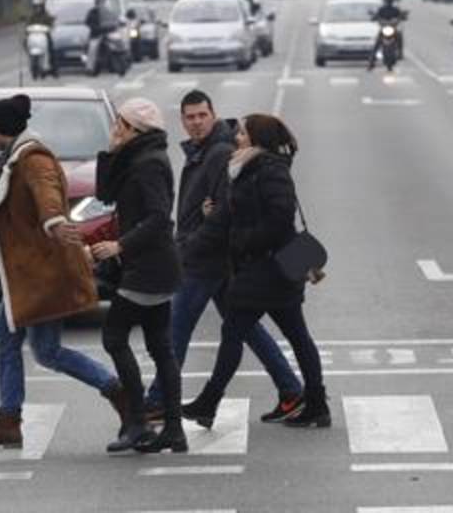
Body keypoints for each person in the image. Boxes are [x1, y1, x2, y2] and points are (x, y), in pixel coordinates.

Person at [0, 94, 125, 449]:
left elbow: (47, 191)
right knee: (31, 347)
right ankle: (10, 419)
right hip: (27, 271)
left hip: (39, 272)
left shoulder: (32, 158)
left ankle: (117, 391)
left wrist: (53, 220)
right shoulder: (12, 156)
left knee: (30, 347)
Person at [141, 91, 305, 424]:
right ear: (182, 120)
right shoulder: (202, 151)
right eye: (189, 117)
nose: (196, 122)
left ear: (213, 115)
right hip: (210, 253)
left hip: (206, 256)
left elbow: (227, 208)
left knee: (177, 327)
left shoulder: (218, 152)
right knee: (246, 329)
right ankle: (291, 390)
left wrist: (191, 242)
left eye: (202, 115)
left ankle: (158, 399)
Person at [181, 114, 331, 430]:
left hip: (268, 269)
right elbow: (226, 217)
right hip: (265, 270)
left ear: (257, 139)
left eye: (243, 133)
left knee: (236, 333)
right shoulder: (245, 169)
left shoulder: (271, 171)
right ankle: (315, 403)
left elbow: (280, 219)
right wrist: (190, 248)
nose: (237, 137)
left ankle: (209, 401)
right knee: (295, 337)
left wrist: (243, 240)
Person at [93, 97, 186, 454]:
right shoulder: (137, 156)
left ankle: (138, 423)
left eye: (119, 124)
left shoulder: (148, 163)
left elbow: (160, 217)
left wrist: (120, 246)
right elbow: (105, 194)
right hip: (153, 265)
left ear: (135, 129)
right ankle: (171, 429)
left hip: (148, 267)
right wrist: (111, 150)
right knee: (160, 347)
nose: (114, 129)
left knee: (114, 337)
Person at [367, 0, 405, 72]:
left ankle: (400, 53)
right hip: (384, 29)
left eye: (389, 1)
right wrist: (374, 17)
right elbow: (376, 16)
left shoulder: (395, 9)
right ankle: (371, 63)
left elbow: (401, 16)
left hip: (393, 29)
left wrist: (402, 16)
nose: (388, 2)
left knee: (399, 37)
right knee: (376, 45)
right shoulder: (381, 9)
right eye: (388, 1)